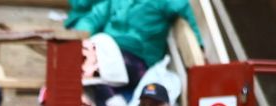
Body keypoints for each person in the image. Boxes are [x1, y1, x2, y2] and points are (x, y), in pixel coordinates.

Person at [64, 0, 200, 94]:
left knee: (93, 67)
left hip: (137, 56)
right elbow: (94, 17)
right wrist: (78, 38)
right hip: (106, 48)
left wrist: (200, 45)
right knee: (78, 56)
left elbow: (188, 11)